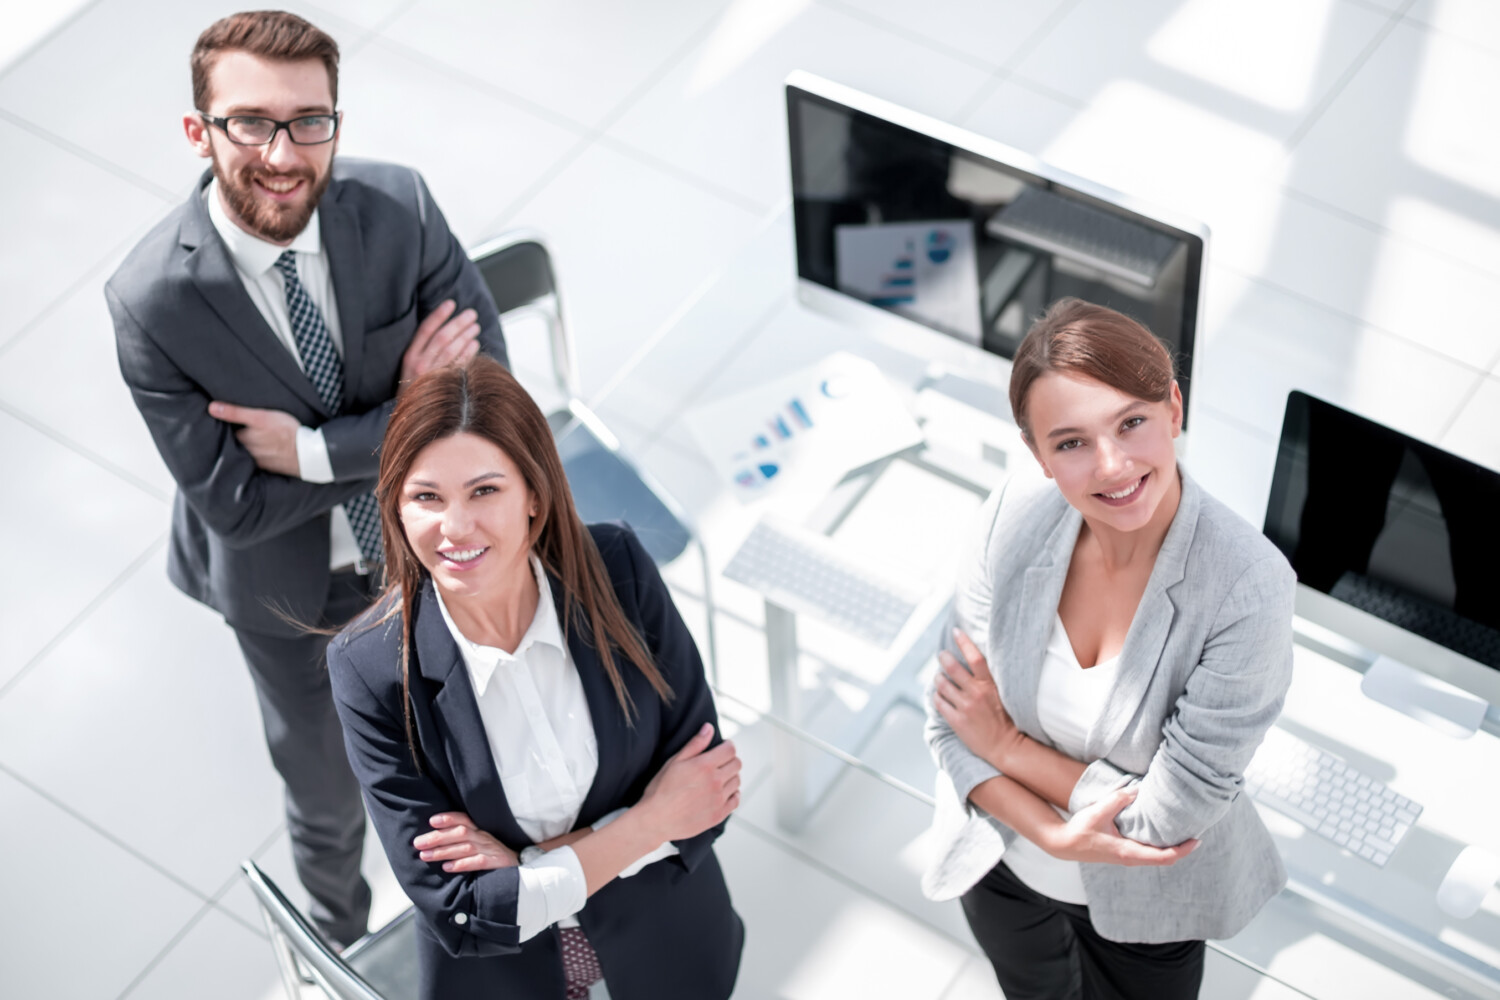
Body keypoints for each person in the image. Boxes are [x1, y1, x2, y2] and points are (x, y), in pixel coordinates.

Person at [105, 10, 506, 946]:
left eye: (309, 121)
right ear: (198, 132)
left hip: (432, 553)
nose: (283, 154)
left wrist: (320, 449)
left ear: (335, 120)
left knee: (475, 745)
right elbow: (238, 507)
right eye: (250, 122)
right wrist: (411, 411)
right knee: (327, 800)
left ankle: (486, 921)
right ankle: (338, 944)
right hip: (292, 594)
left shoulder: (399, 207)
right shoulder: (152, 300)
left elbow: (488, 396)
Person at [327, 355, 745, 1000]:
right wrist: (648, 821)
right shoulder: (370, 669)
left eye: (485, 490)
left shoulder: (619, 568)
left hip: (669, 949)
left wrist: (524, 869)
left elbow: (707, 794)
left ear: (535, 497)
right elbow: (464, 911)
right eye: (426, 498)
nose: (455, 527)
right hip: (505, 982)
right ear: (398, 511)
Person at [923, 298, 1295, 1000]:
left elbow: (1166, 818)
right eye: (1071, 443)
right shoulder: (1013, 517)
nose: (1113, 465)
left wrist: (1007, 747)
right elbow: (949, 715)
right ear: (1037, 455)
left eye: (1132, 423)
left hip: (1144, 916)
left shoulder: (1248, 585)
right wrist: (1051, 834)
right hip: (1000, 866)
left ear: (1174, 408)